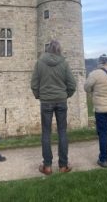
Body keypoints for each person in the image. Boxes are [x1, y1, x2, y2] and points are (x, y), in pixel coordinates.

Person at [31, 40, 76, 175]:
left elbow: (34, 84)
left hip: (46, 102)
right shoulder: (64, 63)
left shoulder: (39, 63)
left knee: (46, 133)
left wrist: (40, 96)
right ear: (59, 50)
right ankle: (63, 165)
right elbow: (72, 85)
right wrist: (65, 95)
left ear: (48, 49)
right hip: (61, 101)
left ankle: (48, 166)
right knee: (62, 132)